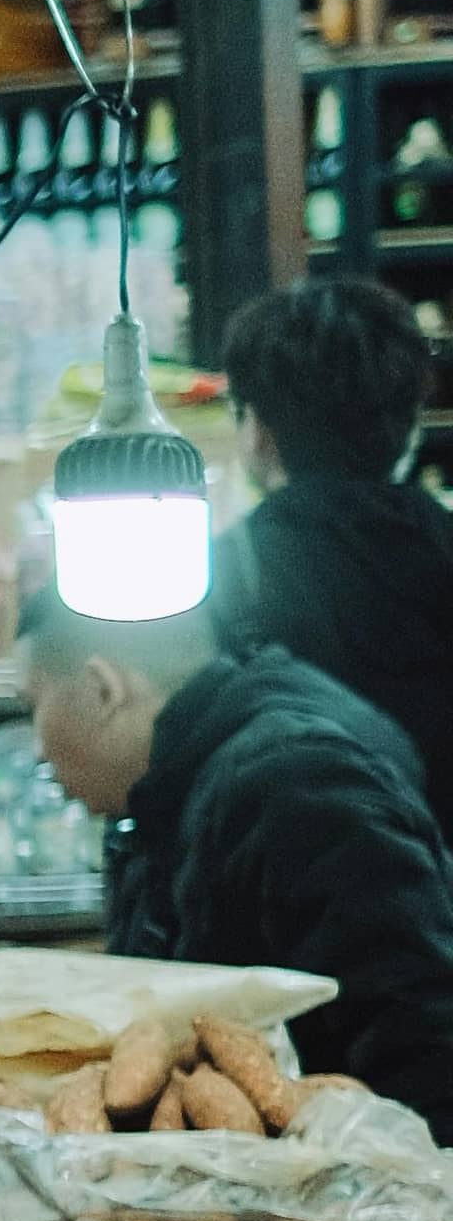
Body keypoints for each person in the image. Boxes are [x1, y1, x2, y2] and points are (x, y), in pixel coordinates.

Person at [21, 574, 453, 1143]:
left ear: (104, 690)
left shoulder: (297, 785)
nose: (36, 748)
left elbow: (424, 1044)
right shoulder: (167, 795)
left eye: (31, 705)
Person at [218, 274, 453, 838]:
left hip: (303, 894)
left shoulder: (226, 573)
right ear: (409, 426)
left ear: (256, 429)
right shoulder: (444, 543)